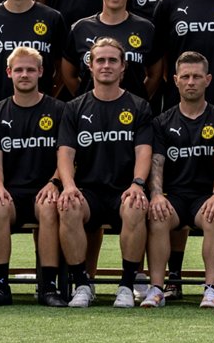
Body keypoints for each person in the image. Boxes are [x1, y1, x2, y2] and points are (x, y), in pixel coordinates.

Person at [56, 38, 154, 308]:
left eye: (113, 60)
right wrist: (68, 185)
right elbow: (66, 153)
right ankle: (83, 284)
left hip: (124, 189)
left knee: (134, 206)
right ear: (90, 66)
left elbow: (143, 151)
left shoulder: (138, 106)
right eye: (100, 60)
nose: (106, 65)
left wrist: (137, 184)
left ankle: (126, 284)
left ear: (123, 67)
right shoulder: (74, 107)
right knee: (68, 206)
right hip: (90, 192)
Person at [0, 47, 65, 307]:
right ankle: (0, 285)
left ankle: (48, 286)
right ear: (9, 73)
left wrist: (54, 182)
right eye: (19, 70)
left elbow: (67, 155)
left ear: (40, 72)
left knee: (49, 207)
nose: (24, 74)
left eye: (30, 69)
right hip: (12, 191)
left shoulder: (60, 110)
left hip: (45, 188)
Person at [144, 52, 214, 309]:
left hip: (205, 195)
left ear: (208, 80)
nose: (191, 82)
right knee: (157, 215)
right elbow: (157, 162)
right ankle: (156, 288)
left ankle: (211, 290)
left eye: (197, 76)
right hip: (174, 196)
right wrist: (156, 194)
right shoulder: (162, 121)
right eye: (186, 77)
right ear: (176, 80)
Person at [61, 0, 161, 100]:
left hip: (133, 115)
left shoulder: (146, 29)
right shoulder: (80, 29)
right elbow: (69, 75)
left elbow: (155, 75)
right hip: (90, 114)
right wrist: (85, 99)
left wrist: (139, 100)